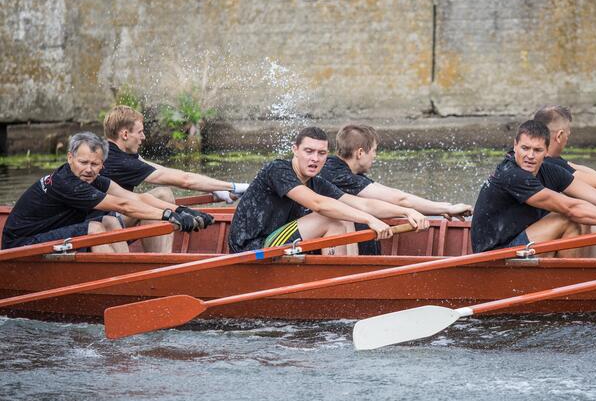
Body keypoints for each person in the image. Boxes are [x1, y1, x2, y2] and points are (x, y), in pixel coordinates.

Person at [470, 120, 596, 256]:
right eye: (525, 148)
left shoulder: (551, 171)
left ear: (547, 151)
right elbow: (571, 209)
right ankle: (566, 281)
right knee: (567, 217)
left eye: (537, 150)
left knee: (589, 210)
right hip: (493, 255)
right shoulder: (511, 174)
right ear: (515, 146)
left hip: (520, 243)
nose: (530, 156)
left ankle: (568, 276)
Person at [228, 127, 430, 255]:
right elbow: (319, 204)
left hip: (280, 244)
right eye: (309, 151)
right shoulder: (278, 170)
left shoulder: (318, 182)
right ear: (295, 150)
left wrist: (406, 212)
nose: (315, 159)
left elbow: (363, 204)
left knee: (346, 216)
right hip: (252, 248)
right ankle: (342, 284)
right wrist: (370, 220)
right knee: (330, 217)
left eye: (321, 153)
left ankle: (350, 279)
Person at [2, 132, 208, 252]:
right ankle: (126, 282)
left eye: (95, 163)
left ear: (102, 164)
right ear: (69, 158)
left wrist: (182, 210)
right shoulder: (66, 182)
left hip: (52, 234)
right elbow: (122, 205)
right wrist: (168, 216)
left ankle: (139, 273)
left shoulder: (94, 179)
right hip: (21, 246)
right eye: (83, 162)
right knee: (94, 227)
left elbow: (135, 198)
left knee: (109, 221)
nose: (88, 169)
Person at [101, 105, 247, 252]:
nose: (143, 137)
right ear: (125, 134)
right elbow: (185, 180)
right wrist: (233, 186)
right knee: (162, 196)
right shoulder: (121, 161)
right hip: (102, 230)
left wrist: (217, 188)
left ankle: (158, 260)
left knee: (162, 194)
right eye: (140, 132)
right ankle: (160, 261)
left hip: (114, 219)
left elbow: (165, 171)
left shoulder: (111, 152)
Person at [320, 123, 473, 254]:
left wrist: (444, 208)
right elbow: (399, 199)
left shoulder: (346, 172)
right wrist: (445, 208)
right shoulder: (336, 173)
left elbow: (394, 198)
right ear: (360, 153)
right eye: (374, 150)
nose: (375, 156)